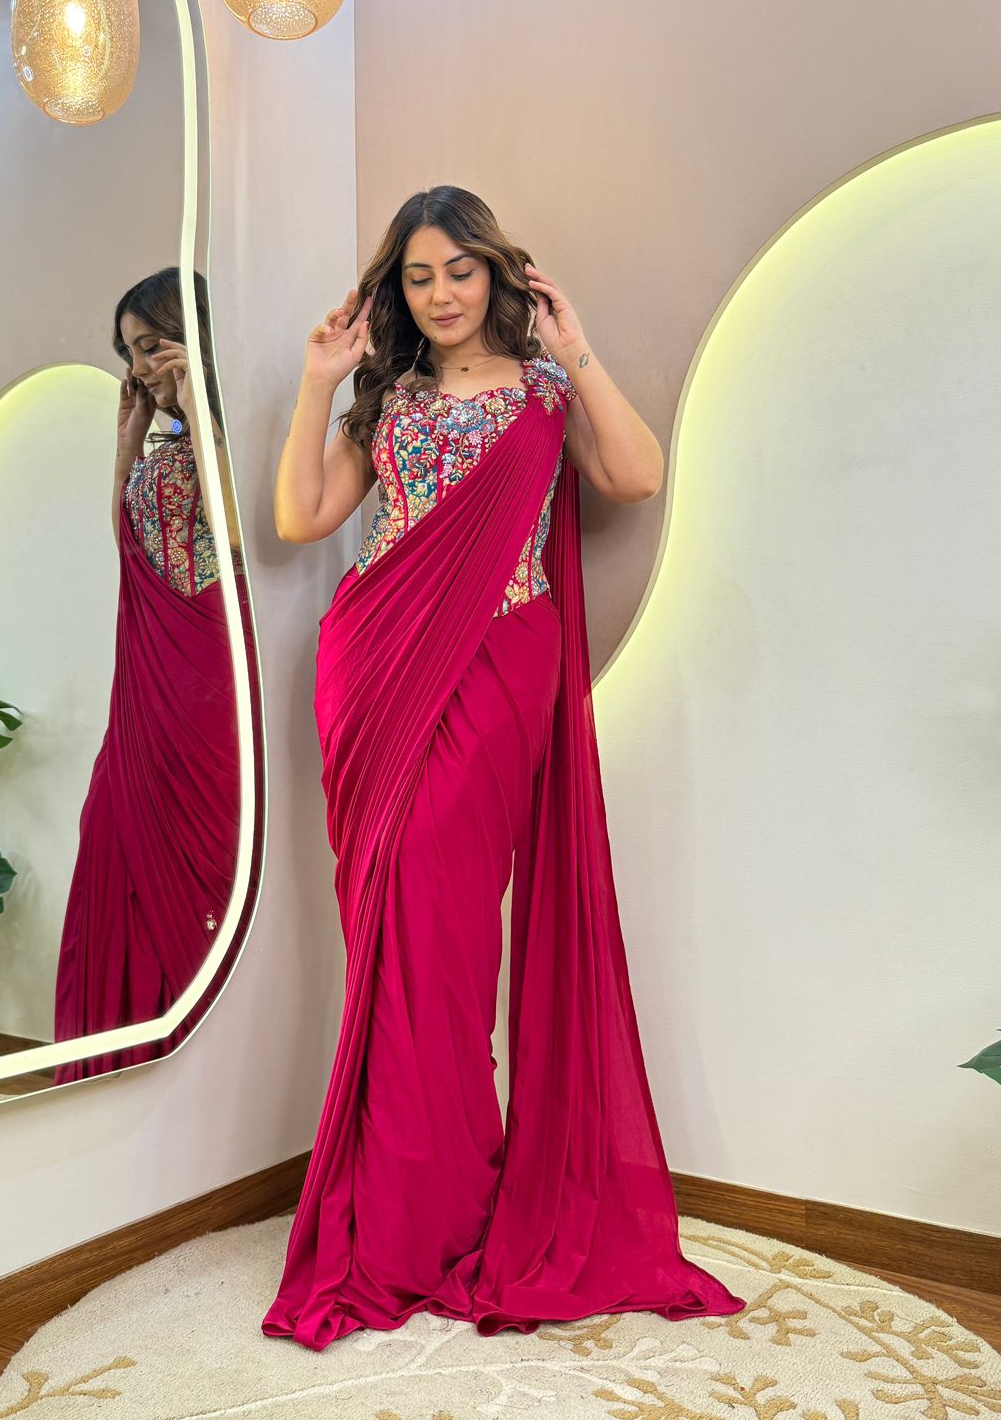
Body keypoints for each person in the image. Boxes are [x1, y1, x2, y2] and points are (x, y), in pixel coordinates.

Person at [264, 186, 746, 1347]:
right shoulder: (385, 395)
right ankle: (402, 1212)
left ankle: (449, 1197)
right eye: (418, 277)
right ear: (399, 289)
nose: (438, 295)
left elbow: (632, 476)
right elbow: (301, 516)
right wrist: (319, 382)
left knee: (449, 931)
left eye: (458, 273)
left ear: (497, 276)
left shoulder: (540, 390)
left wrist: (578, 352)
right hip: (371, 666)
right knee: (388, 934)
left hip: (497, 666)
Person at [53, 268, 241, 1084]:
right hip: (144, 682)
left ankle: (198, 1073)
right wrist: (128, 443)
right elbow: (130, 545)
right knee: (111, 834)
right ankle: (117, 1062)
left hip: (208, 678)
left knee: (206, 859)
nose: (144, 369)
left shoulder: (238, 432)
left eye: (154, 346)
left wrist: (198, 407)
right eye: (131, 356)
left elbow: (236, 542)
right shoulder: (161, 443)